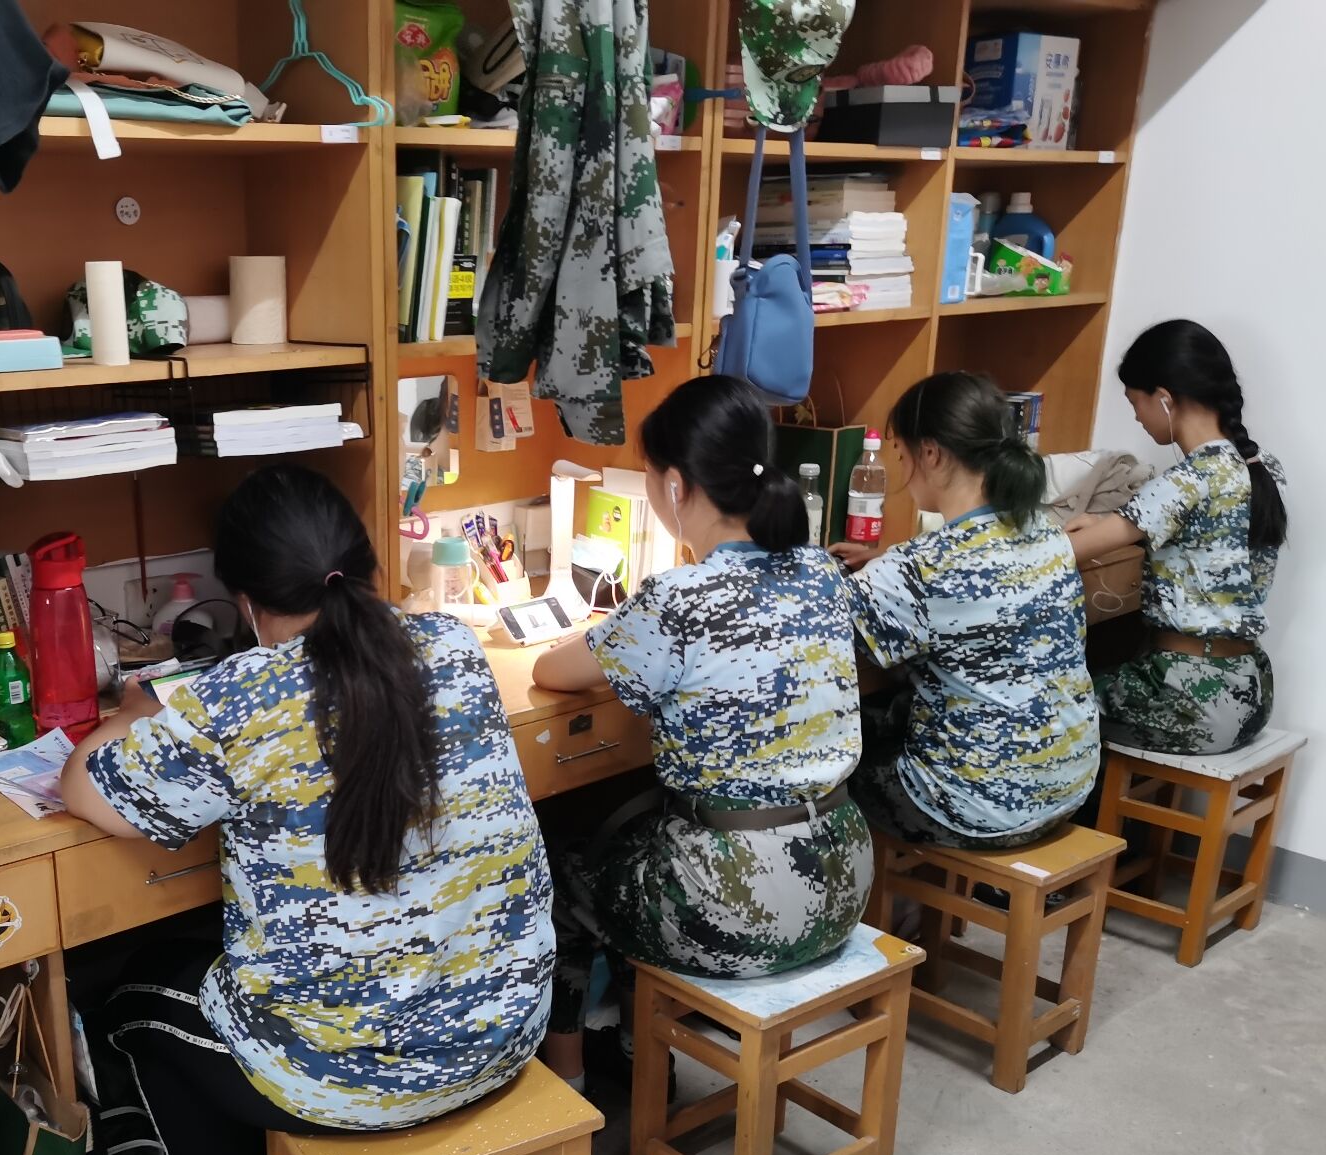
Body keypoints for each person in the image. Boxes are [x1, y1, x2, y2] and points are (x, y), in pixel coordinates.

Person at [60, 464, 553, 1155]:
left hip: (359, 1079)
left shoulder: (234, 700)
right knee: (274, 962)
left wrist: (137, 715)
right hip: (501, 1031)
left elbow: (85, 791)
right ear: (361, 565)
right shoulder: (452, 647)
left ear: (246, 601)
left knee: (132, 1004)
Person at [530, 376, 871, 1084]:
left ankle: (570, 1079)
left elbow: (553, 672)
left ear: (674, 486)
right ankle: (638, 1047)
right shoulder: (821, 571)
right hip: (843, 876)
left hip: (740, 904)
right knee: (640, 843)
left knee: (563, 874)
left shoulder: (679, 599)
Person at [832, 372, 1099, 849]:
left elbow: (820, 629)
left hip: (976, 806)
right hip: (1068, 786)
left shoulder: (919, 569)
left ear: (930, 453)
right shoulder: (1045, 531)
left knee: (826, 757)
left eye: (901, 454)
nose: (902, 469)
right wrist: (888, 560)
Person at [1066, 319, 1288, 754]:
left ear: (1164, 399)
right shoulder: (1262, 467)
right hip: (1251, 690)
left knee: (1044, 707)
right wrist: (1112, 521)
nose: (1136, 417)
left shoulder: (1187, 480)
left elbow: (1064, 550)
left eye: (1135, 402)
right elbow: (1206, 535)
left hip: (1191, 698)